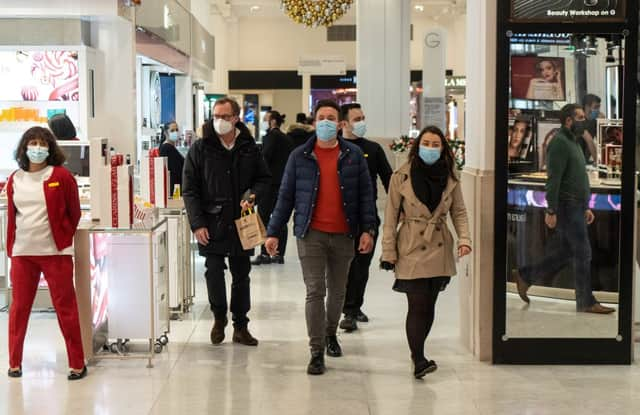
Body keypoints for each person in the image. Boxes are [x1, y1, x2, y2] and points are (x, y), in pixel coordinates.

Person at [264, 99, 377, 375]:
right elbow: (285, 196)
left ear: (339, 124)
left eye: (331, 118)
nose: (326, 122)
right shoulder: (299, 156)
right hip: (310, 234)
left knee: (337, 292)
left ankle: (330, 334)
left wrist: (369, 230)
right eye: (321, 117)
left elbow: (366, 197)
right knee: (316, 291)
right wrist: (273, 232)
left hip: (344, 235)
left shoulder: (353, 156)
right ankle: (316, 350)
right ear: (315, 123)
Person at [380, 125, 471, 379]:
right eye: (426, 143)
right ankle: (418, 358)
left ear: (443, 149)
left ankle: (419, 354)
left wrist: (465, 238)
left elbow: (459, 212)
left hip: (439, 244)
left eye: (435, 144)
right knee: (417, 303)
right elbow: (389, 217)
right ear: (417, 146)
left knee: (429, 304)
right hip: (411, 245)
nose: (430, 148)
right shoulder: (401, 176)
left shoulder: (451, 177)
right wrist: (388, 252)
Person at [183, 97, 271, 347]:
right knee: (213, 271)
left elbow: (264, 179)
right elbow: (190, 189)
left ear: (236, 118)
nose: (219, 121)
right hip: (211, 222)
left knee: (242, 274)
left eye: (224, 116)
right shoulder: (201, 149)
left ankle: (241, 326)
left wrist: (253, 194)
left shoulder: (249, 148)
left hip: (242, 223)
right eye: (216, 116)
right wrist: (197, 223)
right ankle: (219, 317)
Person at [514, 104, 615, 314]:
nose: (583, 119)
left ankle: (526, 276)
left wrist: (585, 206)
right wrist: (551, 210)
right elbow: (554, 180)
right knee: (583, 253)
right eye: (579, 117)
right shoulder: (559, 143)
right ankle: (586, 301)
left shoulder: (574, 142)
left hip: (577, 205)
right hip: (567, 206)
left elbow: (576, 177)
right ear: (568, 121)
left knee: (568, 251)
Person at [5, 126, 87, 380]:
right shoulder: (15, 179)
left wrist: (62, 237)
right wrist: (12, 247)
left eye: (42, 143)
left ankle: (77, 363)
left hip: (55, 252)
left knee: (66, 308)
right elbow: (12, 216)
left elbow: (74, 212)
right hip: (23, 252)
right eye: (33, 143)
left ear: (50, 148)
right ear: (24, 148)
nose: (37, 148)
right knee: (19, 308)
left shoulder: (61, 176)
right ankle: (14, 363)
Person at [337, 103, 393, 332]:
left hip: (367, 218)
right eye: (356, 119)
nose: (361, 122)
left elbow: (390, 181)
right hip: (339, 218)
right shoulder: (334, 148)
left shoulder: (373, 149)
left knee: (361, 267)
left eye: (363, 117)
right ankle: (340, 306)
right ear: (343, 124)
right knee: (341, 268)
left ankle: (351, 310)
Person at [252, 111, 294, 265]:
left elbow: (265, 158)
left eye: (265, 119)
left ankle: (265, 253)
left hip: (269, 185)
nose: (263, 122)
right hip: (283, 183)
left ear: (273, 122)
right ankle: (278, 253)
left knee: (263, 217)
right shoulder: (287, 139)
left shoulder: (271, 137)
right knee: (280, 218)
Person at [159, 121, 185, 196]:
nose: (175, 133)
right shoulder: (167, 148)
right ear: (166, 133)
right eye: (172, 131)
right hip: (174, 190)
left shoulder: (169, 147)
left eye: (177, 130)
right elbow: (176, 170)